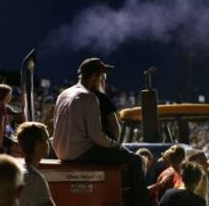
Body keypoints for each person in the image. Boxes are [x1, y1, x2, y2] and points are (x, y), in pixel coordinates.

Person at [52, 57, 149, 206]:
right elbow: (97, 136)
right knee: (135, 160)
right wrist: (116, 145)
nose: (103, 80)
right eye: (101, 76)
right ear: (93, 77)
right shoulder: (89, 98)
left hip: (60, 151)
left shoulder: (63, 94)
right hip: (80, 152)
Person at [17, 121, 56, 206]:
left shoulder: (17, 170)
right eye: (46, 139)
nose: (48, 143)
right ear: (37, 145)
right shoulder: (35, 180)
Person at [94, 73, 120, 141]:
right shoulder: (102, 98)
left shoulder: (79, 97)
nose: (104, 84)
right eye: (103, 80)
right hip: (102, 145)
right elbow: (115, 127)